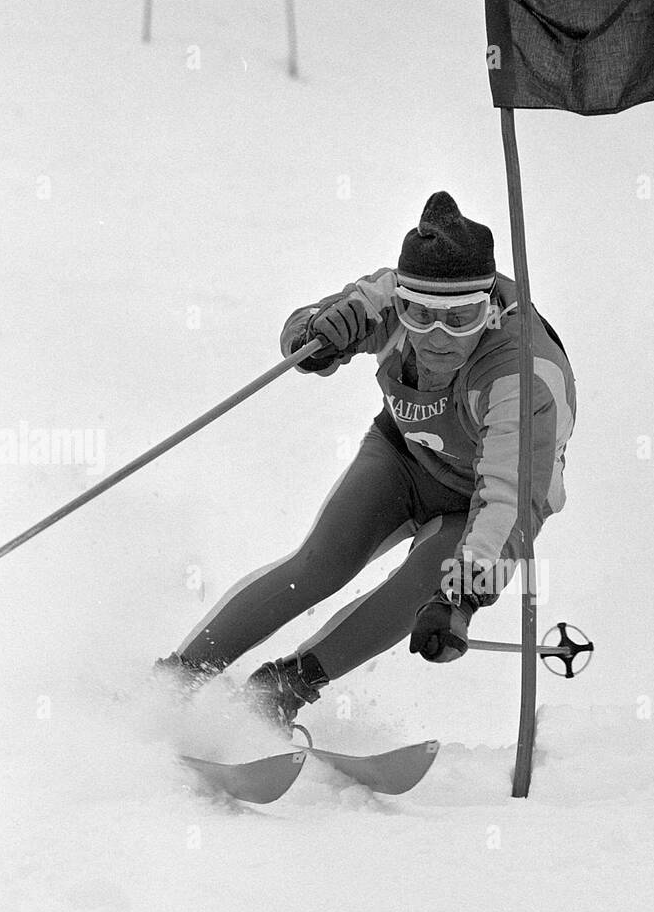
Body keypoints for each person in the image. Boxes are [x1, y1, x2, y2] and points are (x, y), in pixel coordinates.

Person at [156, 191, 577, 727]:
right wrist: (316, 337)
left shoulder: (523, 378)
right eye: (419, 315)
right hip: (403, 456)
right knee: (318, 565)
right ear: (400, 303)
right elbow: (303, 327)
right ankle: (175, 680)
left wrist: (463, 600)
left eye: (461, 318)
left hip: (478, 499)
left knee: (421, 585)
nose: (437, 336)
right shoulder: (384, 300)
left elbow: (510, 502)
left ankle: (277, 693)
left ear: (491, 310)